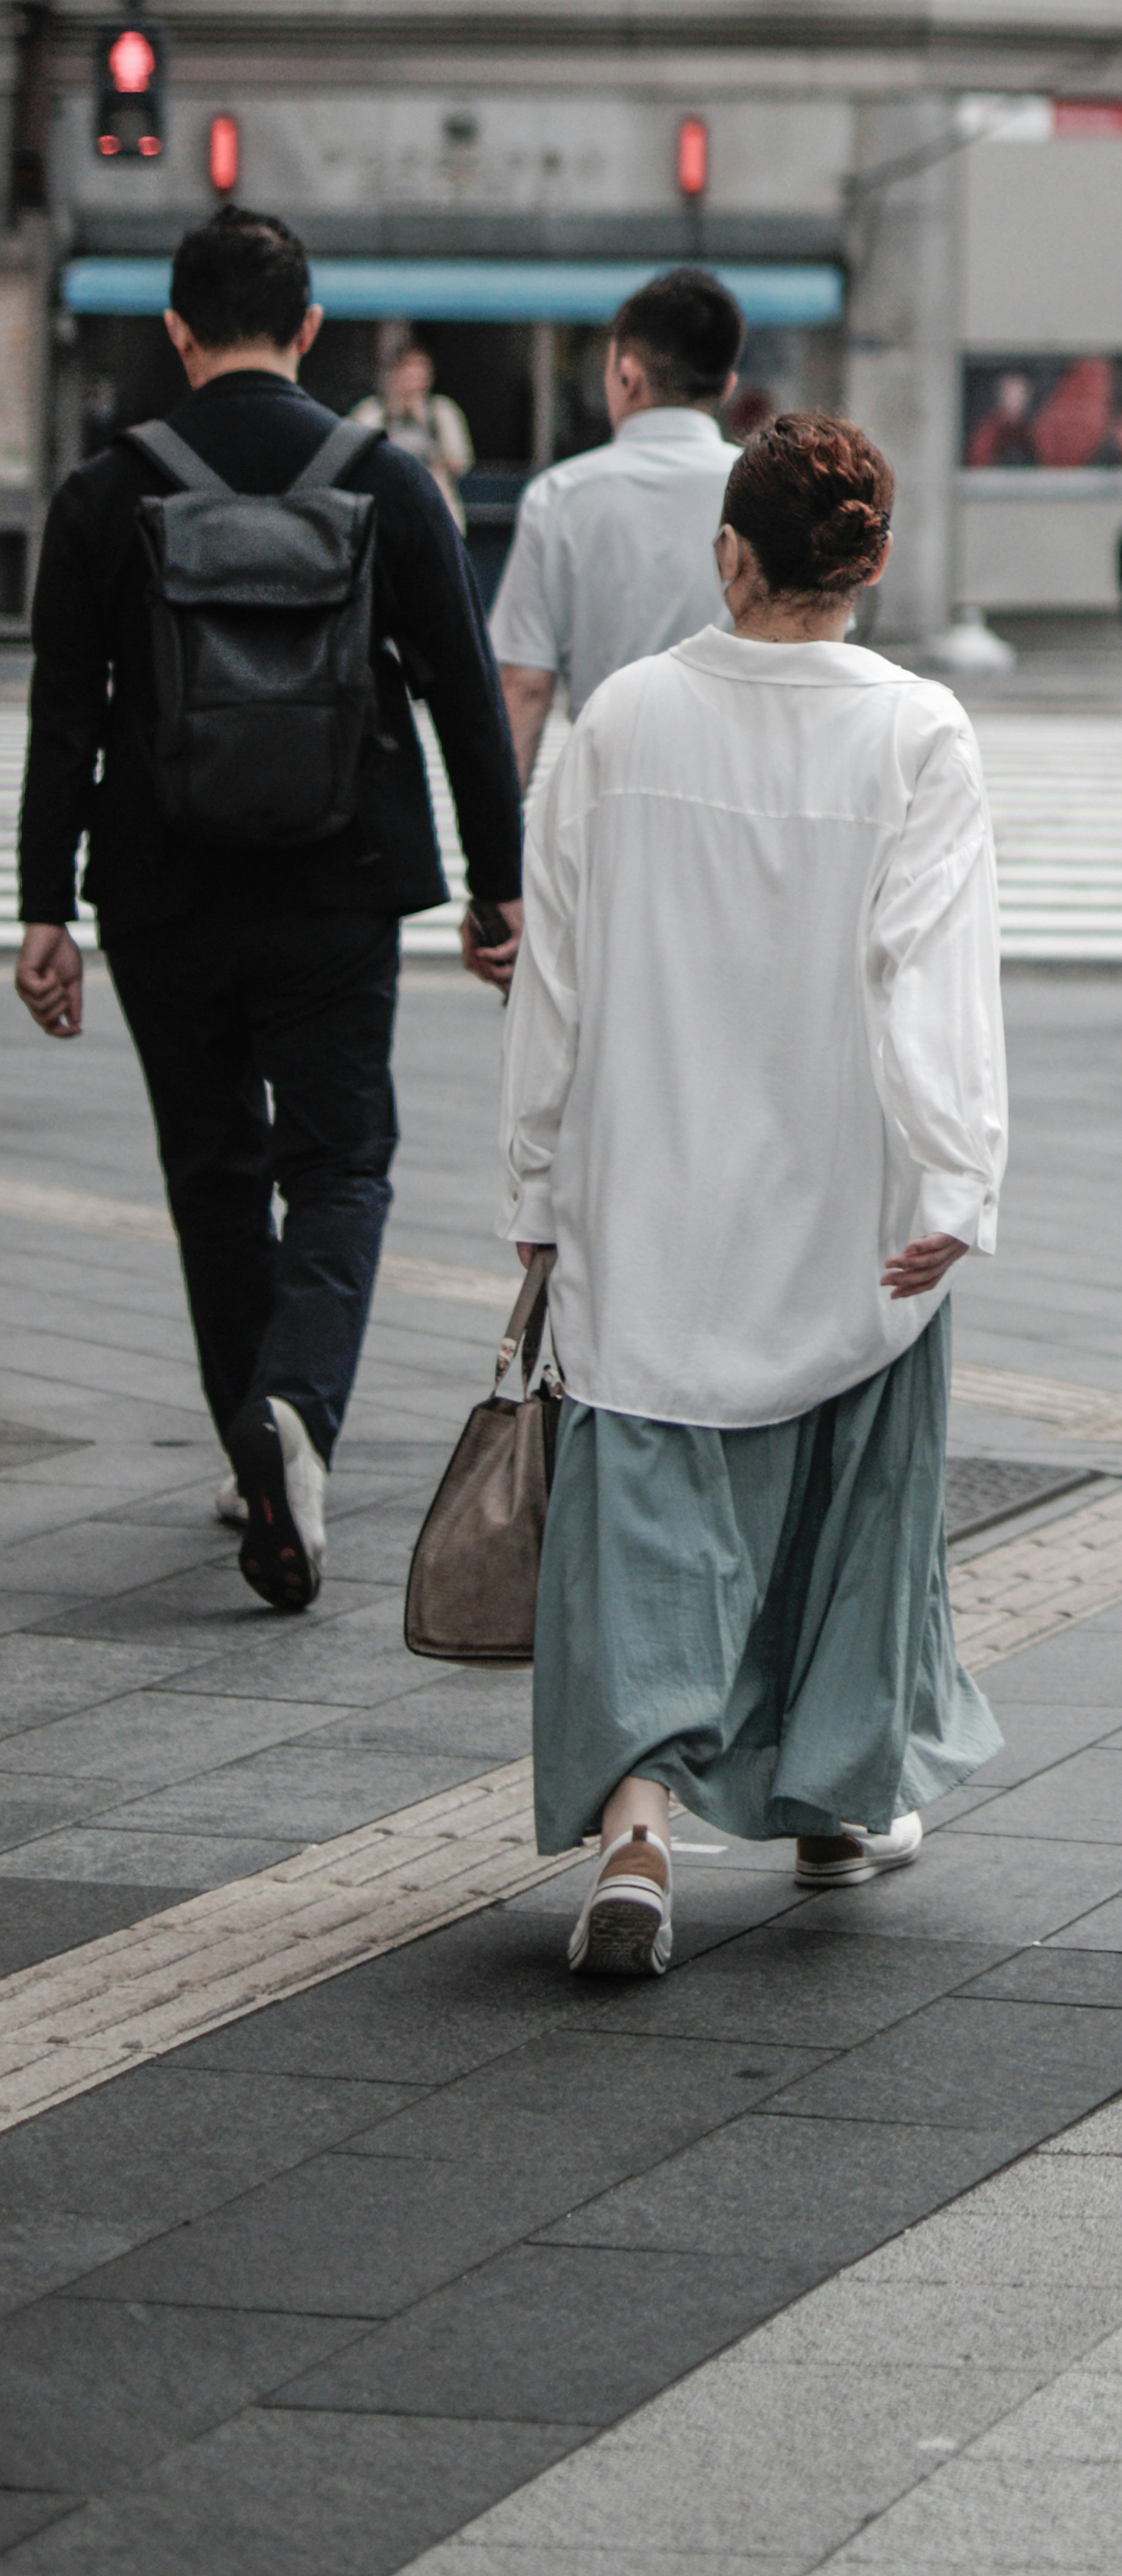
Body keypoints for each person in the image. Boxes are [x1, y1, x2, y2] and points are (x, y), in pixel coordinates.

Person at [501, 413, 1007, 1977]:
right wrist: (958, 1168)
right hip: (844, 1198)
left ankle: (640, 1825)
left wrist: (534, 1181)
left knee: (648, 1503)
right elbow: (928, 973)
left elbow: (557, 988)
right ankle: (836, 1803)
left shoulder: (620, 726)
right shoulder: (918, 732)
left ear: (728, 555)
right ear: (870, 563)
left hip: (648, 1189)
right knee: (849, 1501)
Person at [12, 207, 522, 1611]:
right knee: (341, 1162)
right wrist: (499, 886)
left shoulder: (105, 492)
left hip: (163, 889)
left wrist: (43, 905)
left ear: (178, 331)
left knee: (212, 1172)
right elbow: (468, 704)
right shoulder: (389, 482)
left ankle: (255, 1448)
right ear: (309, 330)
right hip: (338, 882)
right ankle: (296, 1403)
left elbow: (64, 717)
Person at [488, 267, 743, 788]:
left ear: (628, 376)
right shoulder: (771, 489)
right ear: (728, 385)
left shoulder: (559, 497)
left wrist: (496, 854)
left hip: (611, 782)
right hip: (739, 782)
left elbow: (525, 686)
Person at [355, 339, 474, 530]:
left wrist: (426, 423)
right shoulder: (372, 411)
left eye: (421, 375)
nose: (414, 381)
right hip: (384, 515)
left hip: (435, 515)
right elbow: (357, 458)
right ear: (394, 375)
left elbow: (459, 462)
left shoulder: (442, 412)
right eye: (408, 373)